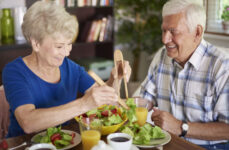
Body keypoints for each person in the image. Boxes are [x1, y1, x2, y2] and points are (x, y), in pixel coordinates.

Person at [2, 1, 131, 138]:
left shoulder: (69, 67)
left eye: (69, 44)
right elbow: (28, 123)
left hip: (66, 142)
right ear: (36, 43)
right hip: (24, 145)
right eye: (59, 46)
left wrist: (115, 79)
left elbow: (104, 102)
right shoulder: (15, 71)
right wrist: (84, 104)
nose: (66, 53)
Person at [139, 0, 229, 149]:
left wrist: (181, 127)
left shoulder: (222, 67)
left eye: (173, 31)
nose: (165, 39)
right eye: (164, 30)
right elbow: (146, 99)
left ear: (197, 32)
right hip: (168, 144)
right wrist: (121, 102)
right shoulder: (162, 56)